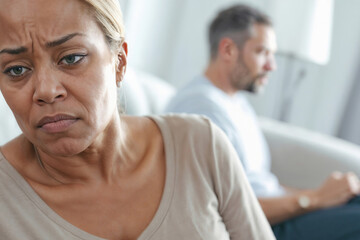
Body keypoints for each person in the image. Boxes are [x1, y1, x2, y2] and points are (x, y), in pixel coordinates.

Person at [0, 0, 276, 239]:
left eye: (71, 58)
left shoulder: (201, 144)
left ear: (119, 62)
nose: (46, 91)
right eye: (16, 70)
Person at [165, 4, 360, 240]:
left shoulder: (235, 103)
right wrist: (315, 199)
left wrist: (326, 195)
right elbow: (224, 210)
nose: (271, 66)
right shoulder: (201, 110)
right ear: (228, 49)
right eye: (262, 52)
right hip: (261, 228)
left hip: (278, 215)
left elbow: (262, 186)